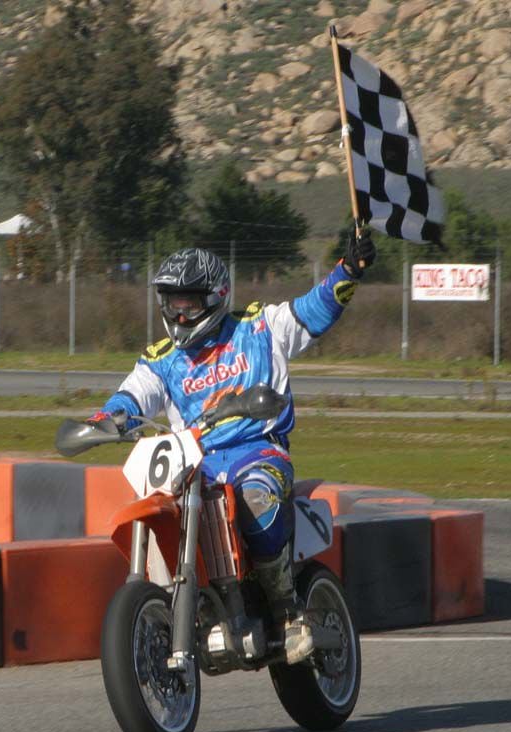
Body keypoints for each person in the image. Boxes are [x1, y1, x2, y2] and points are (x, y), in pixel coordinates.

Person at [88, 229, 375, 664]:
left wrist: (348, 270)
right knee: (162, 504)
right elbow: (133, 395)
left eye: (189, 303)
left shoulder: (260, 327)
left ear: (216, 296)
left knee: (255, 497)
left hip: (258, 451)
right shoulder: (160, 358)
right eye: (172, 303)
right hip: (195, 463)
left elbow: (314, 310)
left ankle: (287, 609)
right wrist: (106, 420)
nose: (180, 314)